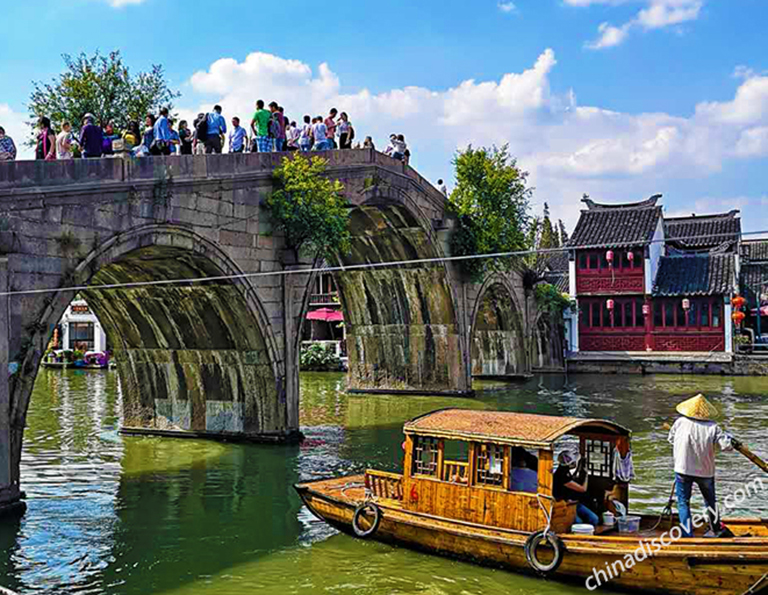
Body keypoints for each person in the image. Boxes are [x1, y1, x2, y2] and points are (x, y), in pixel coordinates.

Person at [668, 394, 736, 538]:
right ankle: (716, 529)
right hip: (705, 471)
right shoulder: (713, 427)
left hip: (683, 469)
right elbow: (726, 446)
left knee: (683, 502)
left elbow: (671, 439)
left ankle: (687, 535)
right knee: (710, 502)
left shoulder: (680, 422)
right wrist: (730, 440)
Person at [553, 450, 599, 526]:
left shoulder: (564, 471)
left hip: (575, 503)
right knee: (579, 522)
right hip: (566, 505)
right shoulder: (562, 475)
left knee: (594, 519)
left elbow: (572, 478)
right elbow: (583, 489)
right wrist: (586, 475)